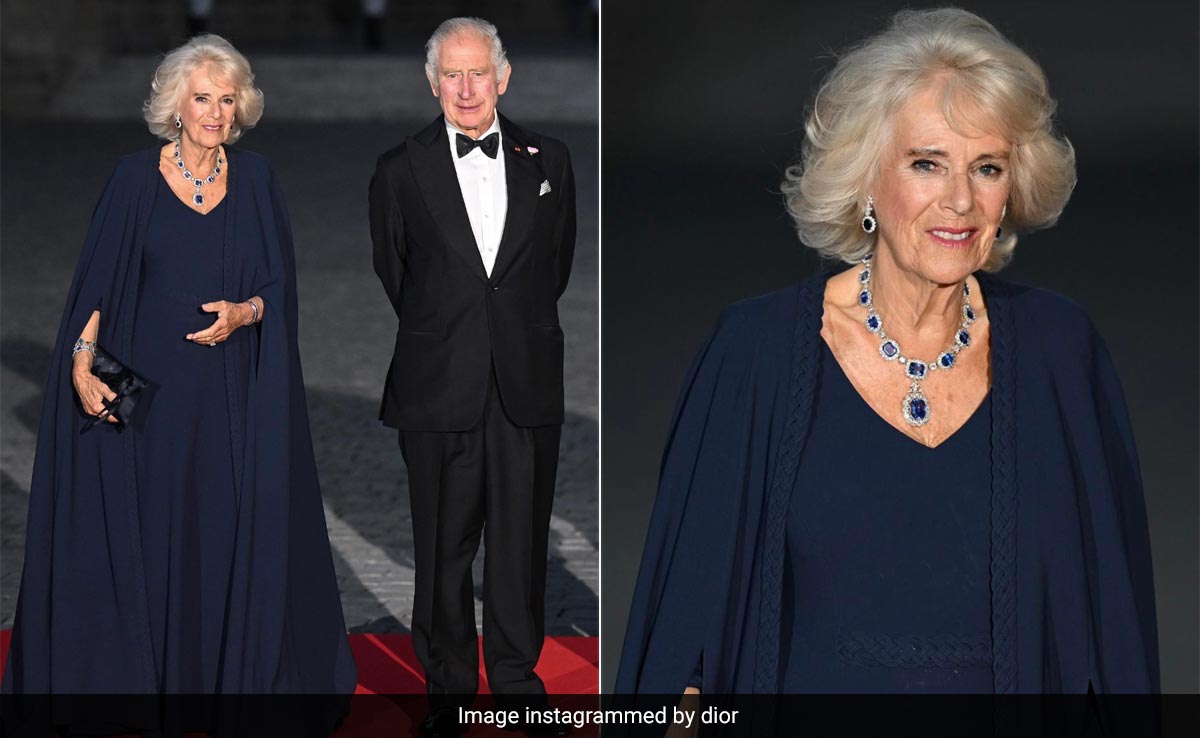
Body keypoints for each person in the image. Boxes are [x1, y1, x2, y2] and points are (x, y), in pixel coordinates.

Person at [616, 5, 1158, 717]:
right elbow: (685, 655)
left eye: (987, 167)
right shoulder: (755, 354)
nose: (960, 200)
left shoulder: (1063, 352)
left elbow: (1113, 646)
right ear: (869, 178)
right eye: (926, 163)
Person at [2, 33, 356, 731]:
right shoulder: (134, 178)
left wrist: (245, 312)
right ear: (175, 104)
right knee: (151, 535)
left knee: (217, 538)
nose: (215, 113)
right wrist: (80, 359)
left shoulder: (256, 181)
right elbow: (96, 287)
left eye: (227, 100)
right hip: (149, 399)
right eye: (203, 99)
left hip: (227, 399)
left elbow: (277, 291)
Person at [369, 15, 575, 738]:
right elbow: (397, 273)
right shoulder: (399, 170)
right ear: (432, 83)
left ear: (503, 77)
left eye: (477, 72)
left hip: (525, 384)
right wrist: (454, 335)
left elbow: (554, 268)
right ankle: (448, 693)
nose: (465, 87)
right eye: (451, 74)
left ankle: (517, 681)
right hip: (437, 387)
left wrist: (504, 334)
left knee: (521, 547)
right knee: (442, 551)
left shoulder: (550, 159)